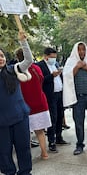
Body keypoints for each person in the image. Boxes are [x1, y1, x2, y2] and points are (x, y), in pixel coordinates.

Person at [0, 31, 33, 175]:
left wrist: (23, 42)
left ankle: (25, 172)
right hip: (1, 123)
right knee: (3, 153)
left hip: (20, 117)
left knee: (24, 148)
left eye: (1, 56)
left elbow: (28, 61)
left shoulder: (13, 70)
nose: (0, 58)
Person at [15, 48, 52, 160]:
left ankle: (27, 156)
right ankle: (44, 153)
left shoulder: (17, 71)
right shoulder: (36, 68)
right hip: (40, 102)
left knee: (25, 134)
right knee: (40, 131)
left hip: (25, 104)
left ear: (18, 58)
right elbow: (41, 82)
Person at [37, 48, 70, 153]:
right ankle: (52, 141)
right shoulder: (40, 66)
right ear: (46, 56)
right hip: (50, 95)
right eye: (52, 57)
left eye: (55, 57)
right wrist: (52, 76)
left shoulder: (55, 64)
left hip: (59, 93)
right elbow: (40, 80)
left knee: (60, 116)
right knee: (53, 118)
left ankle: (59, 137)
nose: (53, 59)